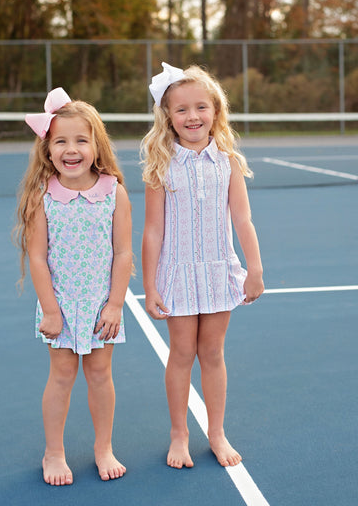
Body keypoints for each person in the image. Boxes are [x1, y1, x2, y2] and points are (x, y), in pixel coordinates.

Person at [141, 63, 264, 469]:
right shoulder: (160, 164)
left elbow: (243, 219)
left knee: (212, 353)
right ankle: (179, 434)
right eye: (181, 110)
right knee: (181, 353)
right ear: (167, 116)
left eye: (200, 108)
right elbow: (153, 230)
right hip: (177, 274)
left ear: (215, 111)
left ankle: (216, 432)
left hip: (217, 271)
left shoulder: (227, 160)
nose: (192, 117)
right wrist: (151, 285)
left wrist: (255, 269)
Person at [15, 88, 132, 485]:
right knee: (62, 375)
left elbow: (123, 254)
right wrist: (50, 309)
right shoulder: (43, 196)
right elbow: (37, 258)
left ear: (96, 146)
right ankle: (54, 452)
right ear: (48, 151)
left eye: (81, 140)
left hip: (101, 304)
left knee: (101, 375)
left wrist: (115, 305)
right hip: (60, 303)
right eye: (61, 141)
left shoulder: (114, 191)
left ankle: (104, 448)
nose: (71, 149)